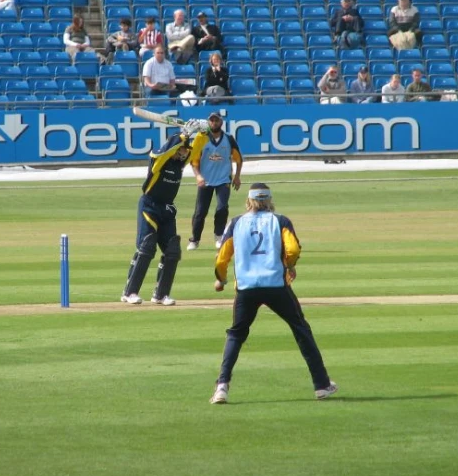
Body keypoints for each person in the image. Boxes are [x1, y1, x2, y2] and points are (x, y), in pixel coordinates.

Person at [209, 182, 338, 404]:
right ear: (269, 201)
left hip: (246, 288)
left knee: (236, 334)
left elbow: (222, 257)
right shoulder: (280, 221)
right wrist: (289, 265)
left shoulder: (236, 223)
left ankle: (222, 386)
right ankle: (322, 385)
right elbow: (293, 249)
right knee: (301, 330)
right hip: (276, 285)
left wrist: (221, 279)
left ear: (249, 201)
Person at [120, 120, 209, 306]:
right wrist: (184, 134)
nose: (185, 153)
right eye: (182, 149)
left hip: (167, 208)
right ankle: (130, 292)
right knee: (147, 246)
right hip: (149, 206)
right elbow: (168, 149)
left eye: (186, 150)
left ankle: (161, 294)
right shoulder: (159, 161)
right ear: (175, 149)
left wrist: (203, 131)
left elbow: (197, 147)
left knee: (172, 250)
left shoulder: (180, 164)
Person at [187, 112, 242, 252]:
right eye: (211, 121)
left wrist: (237, 177)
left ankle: (219, 236)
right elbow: (194, 161)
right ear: (208, 123)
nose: (214, 123)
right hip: (205, 180)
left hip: (223, 180)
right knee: (200, 212)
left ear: (221, 122)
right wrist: (198, 176)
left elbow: (239, 159)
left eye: (216, 121)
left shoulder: (229, 139)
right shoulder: (201, 139)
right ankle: (195, 239)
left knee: (222, 208)